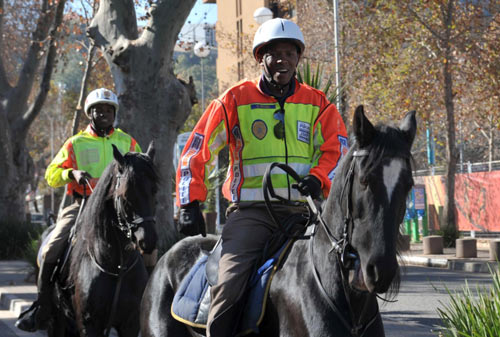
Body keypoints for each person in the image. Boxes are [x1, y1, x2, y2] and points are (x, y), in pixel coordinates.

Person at [176, 18, 348, 337]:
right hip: (252, 215)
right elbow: (196, 149)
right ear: (260, 58)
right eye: (274, 53)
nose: (283, 59)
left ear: (299, 58)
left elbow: (338, 148)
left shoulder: (318, 103)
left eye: (290, 52)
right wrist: (189, 202)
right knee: (228, 286)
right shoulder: (234, 100)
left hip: (305, 214)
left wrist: (318, 177)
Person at [16, 88, 143, 332]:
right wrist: (70, 173)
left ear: (114, 113)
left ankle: (147, 300)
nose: (104, 114)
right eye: (98, 110)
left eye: (108, 109)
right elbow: (51, 175)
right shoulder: (75, 143)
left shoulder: (127, 141)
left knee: (149, 247)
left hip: (118, 210)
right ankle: (42, 308)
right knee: (50, 250)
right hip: (83, 206)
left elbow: (138, 170)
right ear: (90, 114)